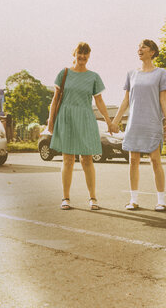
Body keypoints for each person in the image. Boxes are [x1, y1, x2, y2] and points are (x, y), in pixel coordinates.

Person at [48, 42, 117, 210]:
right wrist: (50, 121)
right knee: (68, 159)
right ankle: (65, 198)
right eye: (80, 53)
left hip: (86, 118)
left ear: (89, 56)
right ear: (74, 54)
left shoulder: (93, 76)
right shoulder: (64, 73)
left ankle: (93, 198)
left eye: (86, 54)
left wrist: (108, 121)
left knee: (87, 159)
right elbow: (55, 99)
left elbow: (99, 101)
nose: (83, 57)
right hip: (67, 118)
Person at [112, 39, 166, 211]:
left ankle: (161, 200)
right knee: (133, 160)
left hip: (152, 122)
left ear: (152, 51)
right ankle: (133, 200)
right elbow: (125, 100)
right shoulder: (131, 73)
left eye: (143, 47)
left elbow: (163, 99)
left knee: (155, 160)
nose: (140, 49)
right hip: (134, 123)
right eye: (138, 47)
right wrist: (115, 121)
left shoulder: (161, 73)